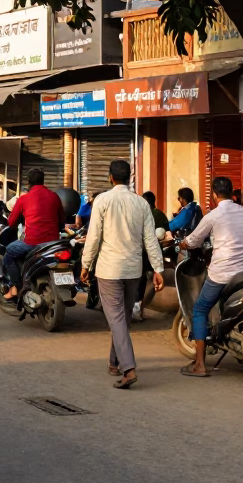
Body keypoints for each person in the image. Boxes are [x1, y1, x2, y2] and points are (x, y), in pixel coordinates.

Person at [81, 160, 164, 390]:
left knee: (118, 319)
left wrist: (85, 264)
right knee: (122, 318)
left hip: (109, 269)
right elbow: (150, 239)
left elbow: (93, 237)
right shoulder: (141, 203)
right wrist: (157, 268)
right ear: (130, 178)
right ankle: (113, 361)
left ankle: (128, 369)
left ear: (110, 177)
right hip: (132, 270)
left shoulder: (103, 200)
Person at [177, 176, 243, 377]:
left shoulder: (213, 215)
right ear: (232, 193)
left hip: (222, 273)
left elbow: (194, 240)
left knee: (200, 309)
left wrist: (183, 244)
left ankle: (200, 365)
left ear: (214, 195)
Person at [3, 168, 65, 301]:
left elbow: (11, 222)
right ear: (43, 181)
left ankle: (14, 287)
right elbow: (62, 221)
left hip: (32, 243)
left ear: (29, 182)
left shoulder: (24, 199)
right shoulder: (54, 196)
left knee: (9, 252)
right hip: (53, 244)